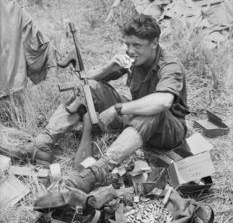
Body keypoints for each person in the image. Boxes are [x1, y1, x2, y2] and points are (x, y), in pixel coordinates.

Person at [33, 13, 190, 202]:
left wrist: (118, 109)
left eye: (137, 45)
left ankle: (96, 171)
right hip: (135, 122)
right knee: (89, 89)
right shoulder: (133, 58)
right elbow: (86, 80)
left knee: (154, 109)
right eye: (127, 44)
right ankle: (44, 141)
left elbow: (163, 102)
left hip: (168, 132)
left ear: (154, 43)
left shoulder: (170, 65)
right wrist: (109, 66)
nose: (130, 50)